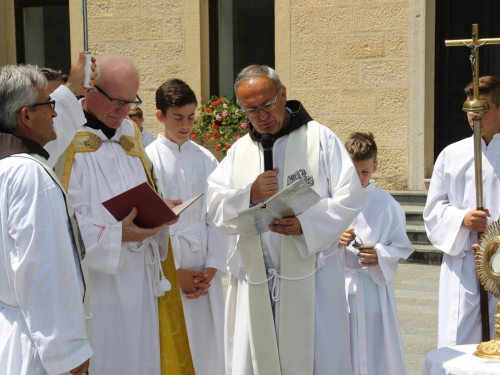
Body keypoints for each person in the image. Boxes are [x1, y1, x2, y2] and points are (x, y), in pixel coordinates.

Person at [207, 65, 364, 375]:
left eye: (267, 104)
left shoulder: (319, 138)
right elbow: (215, 207)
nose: (262, 115)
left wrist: (306, 226)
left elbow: (351, 196)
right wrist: (248, 195)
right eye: (251, 110)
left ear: (283, 94)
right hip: (257, 279)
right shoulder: (239, 151)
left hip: (312, 278)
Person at [54, 54, 189, 374]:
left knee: (143, 359)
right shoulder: (63, 140)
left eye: (131, 101)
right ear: (90, 91)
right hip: (99, 286)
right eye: (116, 101)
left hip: (142, 280)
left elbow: (144, 190)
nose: (124, 111)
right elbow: (59, 221)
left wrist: (160, 208)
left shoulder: (131, 134)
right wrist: (117, 234)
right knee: (108, 358)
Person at [0, 56, 94, 375]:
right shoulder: (30, 174)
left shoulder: (8, 168)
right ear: (26, 116)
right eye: (48, 104)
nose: (55, 112)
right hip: (36, 346)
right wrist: (67, 352)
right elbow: (40, 269)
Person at [145, 78, 227, 375]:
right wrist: (175, 271)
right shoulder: (146, 160)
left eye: (191, 117)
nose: (186, 125)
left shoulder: (206, 159)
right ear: (160, 116)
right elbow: (147, 226)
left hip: (205, 264)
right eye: (178, 117)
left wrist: (213, 267)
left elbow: (217, 217)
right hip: (168, 267)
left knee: (209, 349)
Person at [424, 76, 500, 347]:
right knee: (461, 340)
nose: (474, 116)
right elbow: (433, 211)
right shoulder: (450, 155)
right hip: (464, 262)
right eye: (470, 110)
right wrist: (462, 219)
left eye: (482, 108)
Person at [340, 132, 413, 375]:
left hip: (372, 289)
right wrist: (335, 242)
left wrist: (379, 255)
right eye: (354, 172)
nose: (360, 178)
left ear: (375, 167)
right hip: (339, 287)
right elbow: (312, 240)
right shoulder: (333, 200)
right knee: (341, 347)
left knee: (374, 348)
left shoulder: (387, 205)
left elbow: (401, 246)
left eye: (365, 172)